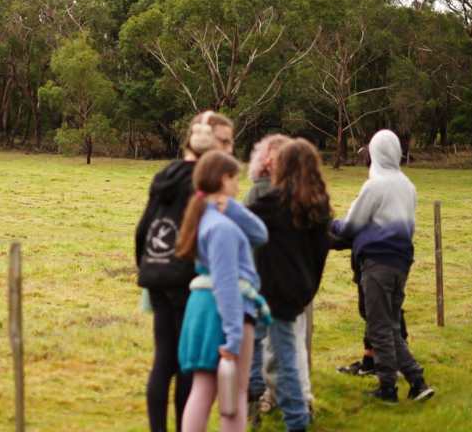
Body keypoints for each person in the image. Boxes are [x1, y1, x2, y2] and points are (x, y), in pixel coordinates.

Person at [135, 111, 234, 432]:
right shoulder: (204, 183)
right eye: (226, 143)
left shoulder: (164, 174)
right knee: (189, 362)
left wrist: (147, 267)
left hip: (156, 272)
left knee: (164, 360)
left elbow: (143, 228)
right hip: (188, 278)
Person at [333, 130, 434, 404]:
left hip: (377, 263)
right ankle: (416, 382)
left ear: (375, 153)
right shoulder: (408, 186)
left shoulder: (375, 186)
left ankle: (388, 388)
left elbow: (351, 226)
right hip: (402, 262)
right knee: (389, 325)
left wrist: (329, 224)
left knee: (379, 326)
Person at [175, 150, 269, 432]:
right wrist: (234, 335)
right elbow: (226, 283)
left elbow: (259, 235)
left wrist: (234, 207)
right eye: (234, 179)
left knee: (202, 391)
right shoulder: (222, 229)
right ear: (223, 179)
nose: (239, 186)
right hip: (227, 313)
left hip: (201, 310)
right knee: (234, 396)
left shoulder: (204, 218)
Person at [248, 138, 332, 432]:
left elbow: (242, 220)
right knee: (286, 359)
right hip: (298, 294)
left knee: (259, 354)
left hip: (267, 292)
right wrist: (307, 289)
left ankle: (261, 405)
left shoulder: (273, 203)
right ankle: (293, 417)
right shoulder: (319, 206)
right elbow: (321, 252)